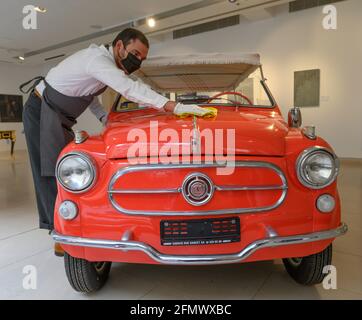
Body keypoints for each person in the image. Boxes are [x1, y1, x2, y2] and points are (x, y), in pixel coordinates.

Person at [21, 28, 207, 253]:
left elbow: (88, 94)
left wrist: (104, 117)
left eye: (142, 58)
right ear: (119, 46)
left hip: (60, 116)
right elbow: (129, 88)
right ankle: (59, 233)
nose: (138, 61)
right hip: (42, 110)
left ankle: (70, 223)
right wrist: (174, 106)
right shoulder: (97, 59)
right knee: (51, 170)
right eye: (135, 53)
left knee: (64, 170)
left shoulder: (103, 65)